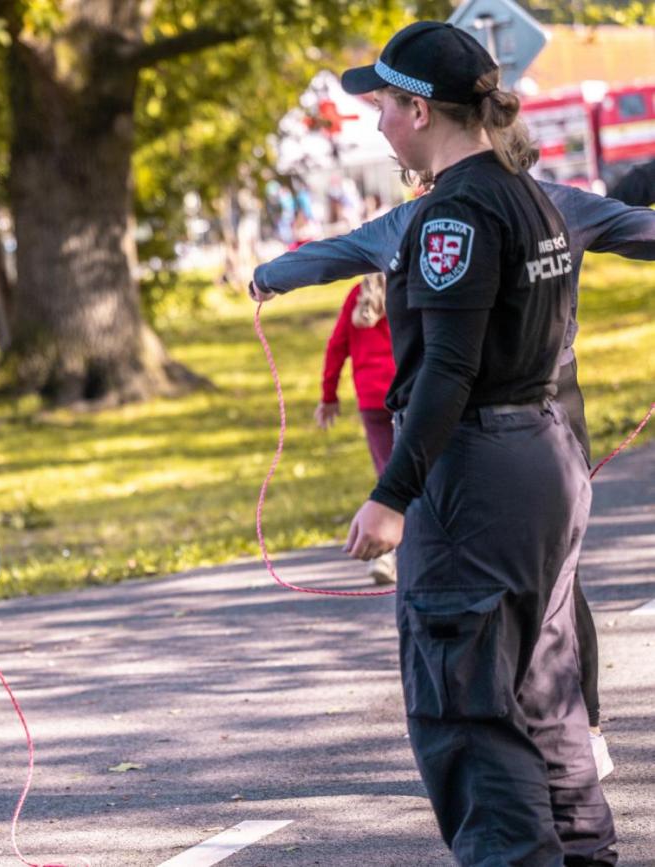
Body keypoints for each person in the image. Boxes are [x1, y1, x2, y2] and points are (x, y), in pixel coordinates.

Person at [252, 22, 617, 865]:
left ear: (419, 111)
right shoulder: (529, 195)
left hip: (479, 475)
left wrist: (393, 495)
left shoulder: (453, 214)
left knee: (468, 704)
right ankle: (583, 850)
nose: (377, 121)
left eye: (383, 104)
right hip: (546, 456)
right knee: (545, 685)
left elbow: (449, 369)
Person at [252, 152, 655, 782]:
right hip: (544, 406)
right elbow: (637, 227)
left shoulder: (425, 217)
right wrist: (274, 274)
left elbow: (338, 252)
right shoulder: (552, 203)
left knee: (502, 576)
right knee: (551, 575)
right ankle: (566, 733)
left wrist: (269, 276)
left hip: (474, 414)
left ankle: (563, 733)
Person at [313, 272, 397, 584]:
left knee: (387, 472)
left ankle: (387, 554)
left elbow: (336, 347)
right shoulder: (406, 289)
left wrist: (328, 396)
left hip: (372, 400)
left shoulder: (356, 296)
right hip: (406, 395)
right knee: (414, 473)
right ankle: (397, 550)